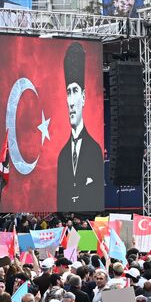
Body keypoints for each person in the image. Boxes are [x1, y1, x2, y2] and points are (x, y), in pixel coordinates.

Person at [56, 42, 104, 212]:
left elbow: (96, 195)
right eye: (68, 92)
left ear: (83, 97)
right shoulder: (62, 156)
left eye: (75, 91)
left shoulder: (95, 150)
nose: (71, 101)